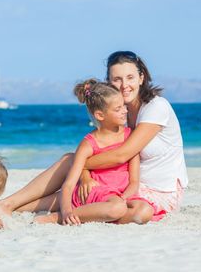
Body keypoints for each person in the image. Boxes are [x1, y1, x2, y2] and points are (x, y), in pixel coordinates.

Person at [0, 51, 188, 223]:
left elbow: (122, 155)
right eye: (117, 79)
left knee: (137, 212)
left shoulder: (156, 107)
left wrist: (80, 165)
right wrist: (82, 171)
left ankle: (59, 215)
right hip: (118, 182)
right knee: (75, 173)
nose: (124, 85)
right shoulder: (119, 111)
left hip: (155, 190)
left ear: (141, 77)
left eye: (130, 77)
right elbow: (102, 148)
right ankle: (9, 205)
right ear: (109, 82)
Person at [35, 79, 154, 225]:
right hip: (97, 192)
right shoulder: (88, 144)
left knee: (145, 211)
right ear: (100, 115)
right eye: (118, 109)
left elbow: (134, 181)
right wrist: (66, 211)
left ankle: (98, 213)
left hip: (121, 195)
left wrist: (124, 198)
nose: (125, 110)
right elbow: (69, 184)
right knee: (117, 208)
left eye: (123, 105)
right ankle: (58, 217)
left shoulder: (131, 137)